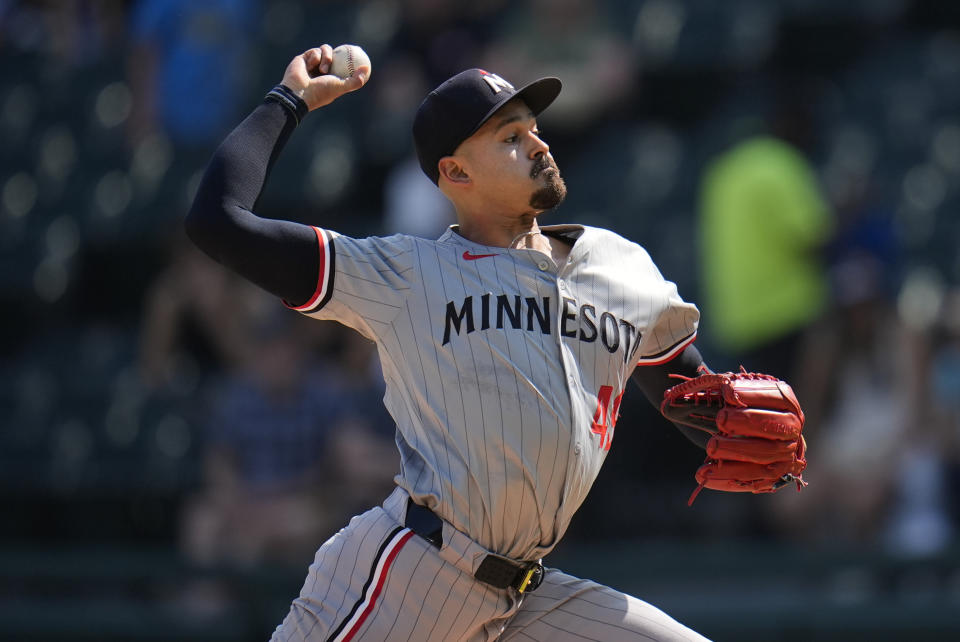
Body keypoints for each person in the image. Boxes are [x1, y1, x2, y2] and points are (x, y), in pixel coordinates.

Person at [186, 44, 742, 641]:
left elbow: (686, 391)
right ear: (455, 173)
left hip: (525, 596)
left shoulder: (621, 268)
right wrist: (289, 99)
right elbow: (218, 220)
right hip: (408, 580)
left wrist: (748, 443)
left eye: (534, 128)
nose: (538, 143)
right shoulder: (406, 275)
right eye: (510, 136)